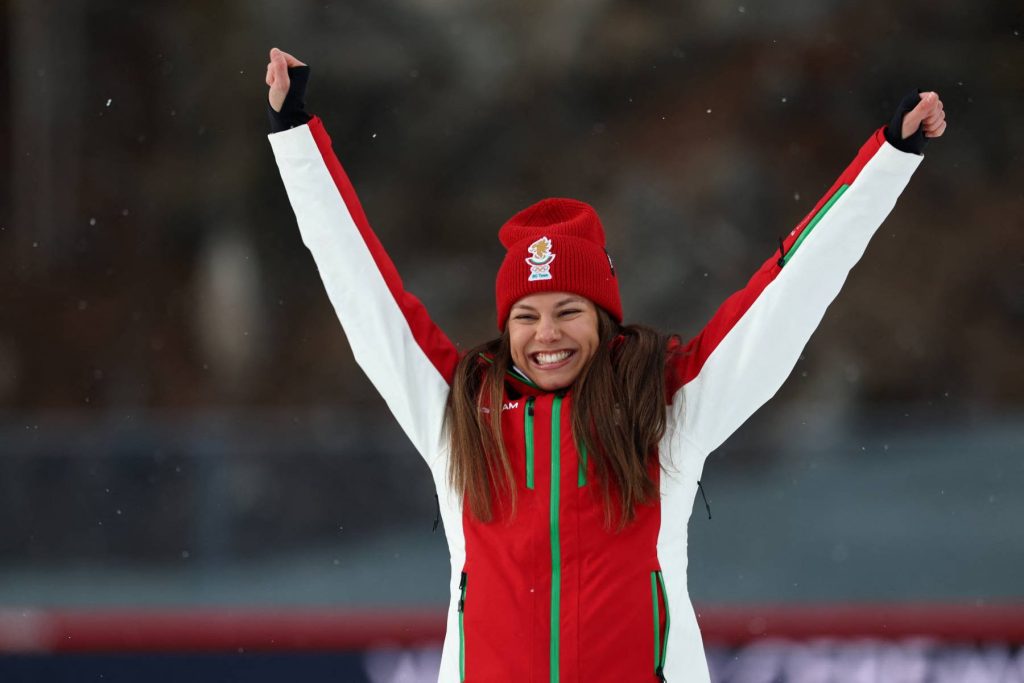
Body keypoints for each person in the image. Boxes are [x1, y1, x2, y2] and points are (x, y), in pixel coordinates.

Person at [264, 46, 946, 683]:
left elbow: (785, 295)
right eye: (525, 316)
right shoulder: (460, 409)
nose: (545, 334)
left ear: (604, 316)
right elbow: (362, 286)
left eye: (569, 311)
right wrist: (295, 137)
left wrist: (888, 159)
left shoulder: (666, 404)